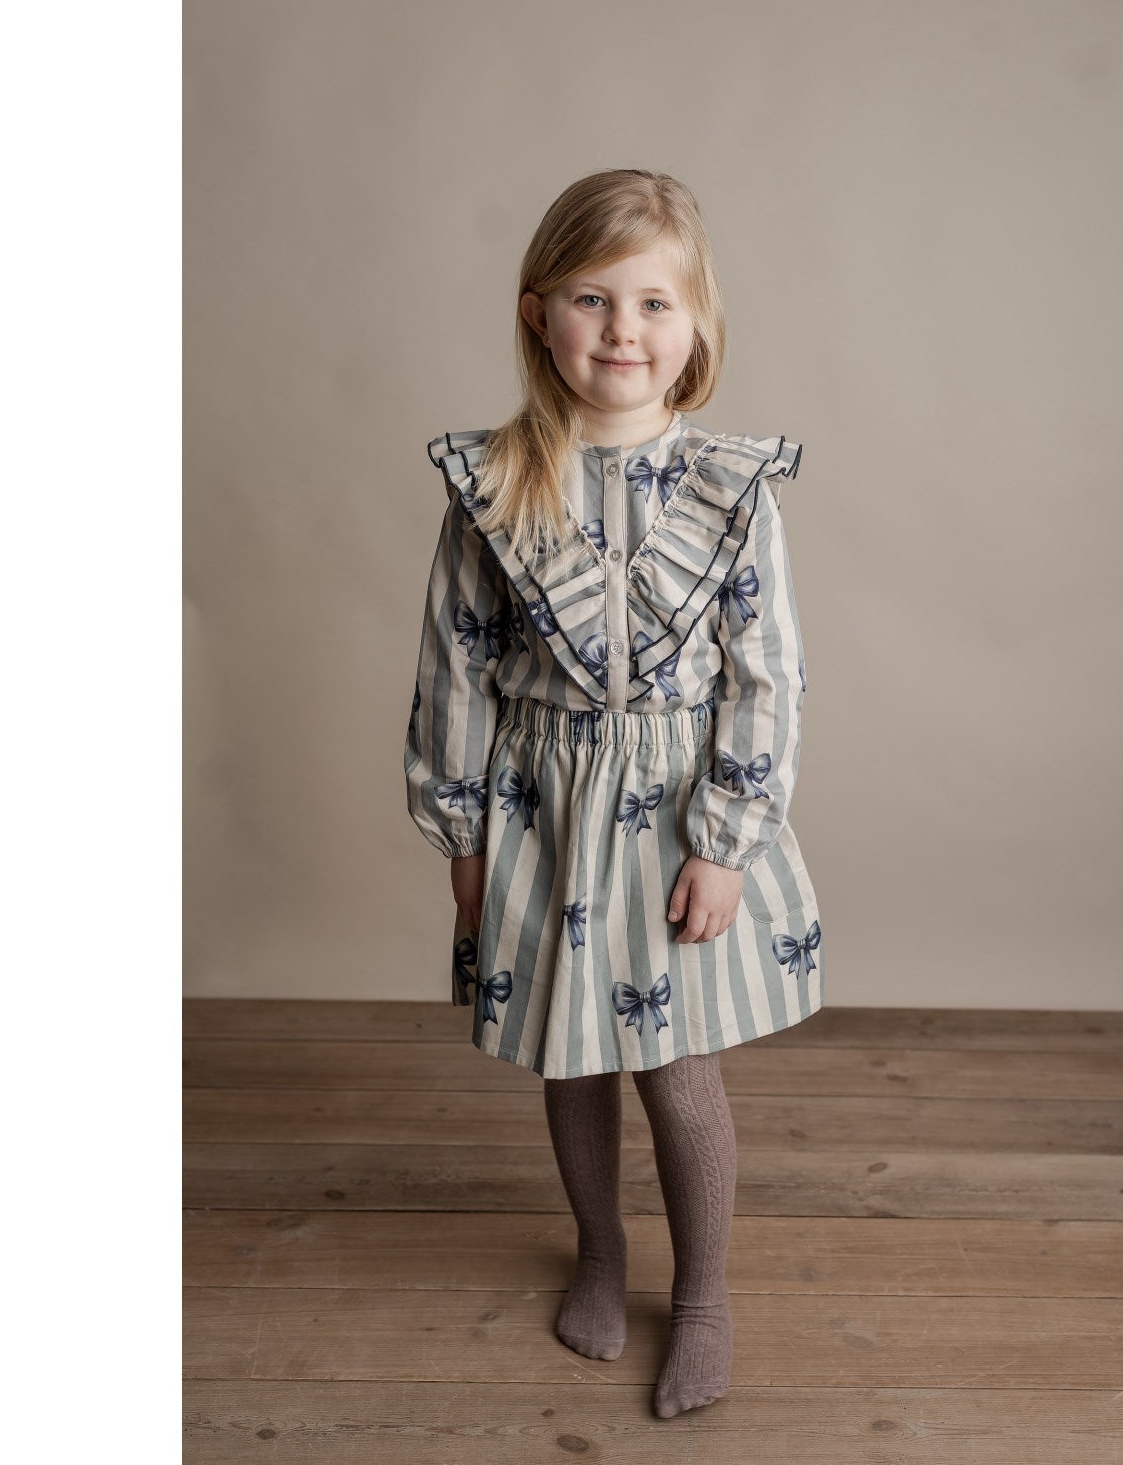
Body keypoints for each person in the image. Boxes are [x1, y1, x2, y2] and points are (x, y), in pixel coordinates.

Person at [403, 168, 823, 1419]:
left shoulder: (732, 494)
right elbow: (453, 671)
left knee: (676, 1071)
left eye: (653, 303)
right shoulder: (495, 489)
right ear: (540, 317)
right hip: (542, 812)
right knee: (571, 1062)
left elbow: (767, 676)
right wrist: (465, 843)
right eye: (593, 299)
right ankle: (599, 1250)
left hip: (676, 817)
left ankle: (703, 1298)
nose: (623, 330)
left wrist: (727, 841)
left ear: (697, 325)